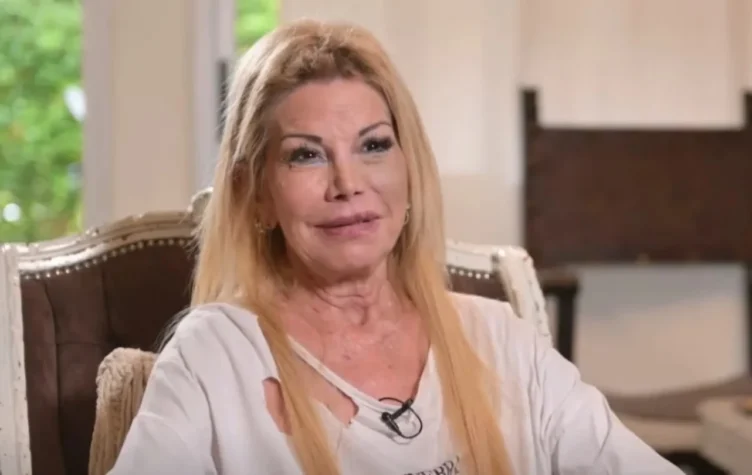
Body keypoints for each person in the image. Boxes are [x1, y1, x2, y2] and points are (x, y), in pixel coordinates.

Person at [109, 19, 682, 475]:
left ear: (411, 171)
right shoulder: (216, 355)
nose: (348, 183)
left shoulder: (500, 340)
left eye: (374, 146)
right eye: (306, 154)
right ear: (256, 195)